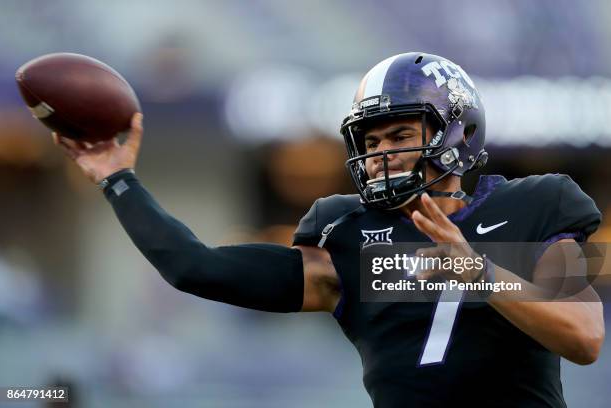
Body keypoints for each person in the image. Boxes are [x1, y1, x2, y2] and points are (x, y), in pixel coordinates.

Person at [53, 52, 604, 407]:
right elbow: (193, 266)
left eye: (398, 135)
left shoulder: (536, 202)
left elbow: (583, 338)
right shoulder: (349, 234)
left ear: (456, 132)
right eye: (371, 142)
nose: (382, 154)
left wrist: (476, 270)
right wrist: (116, 178)